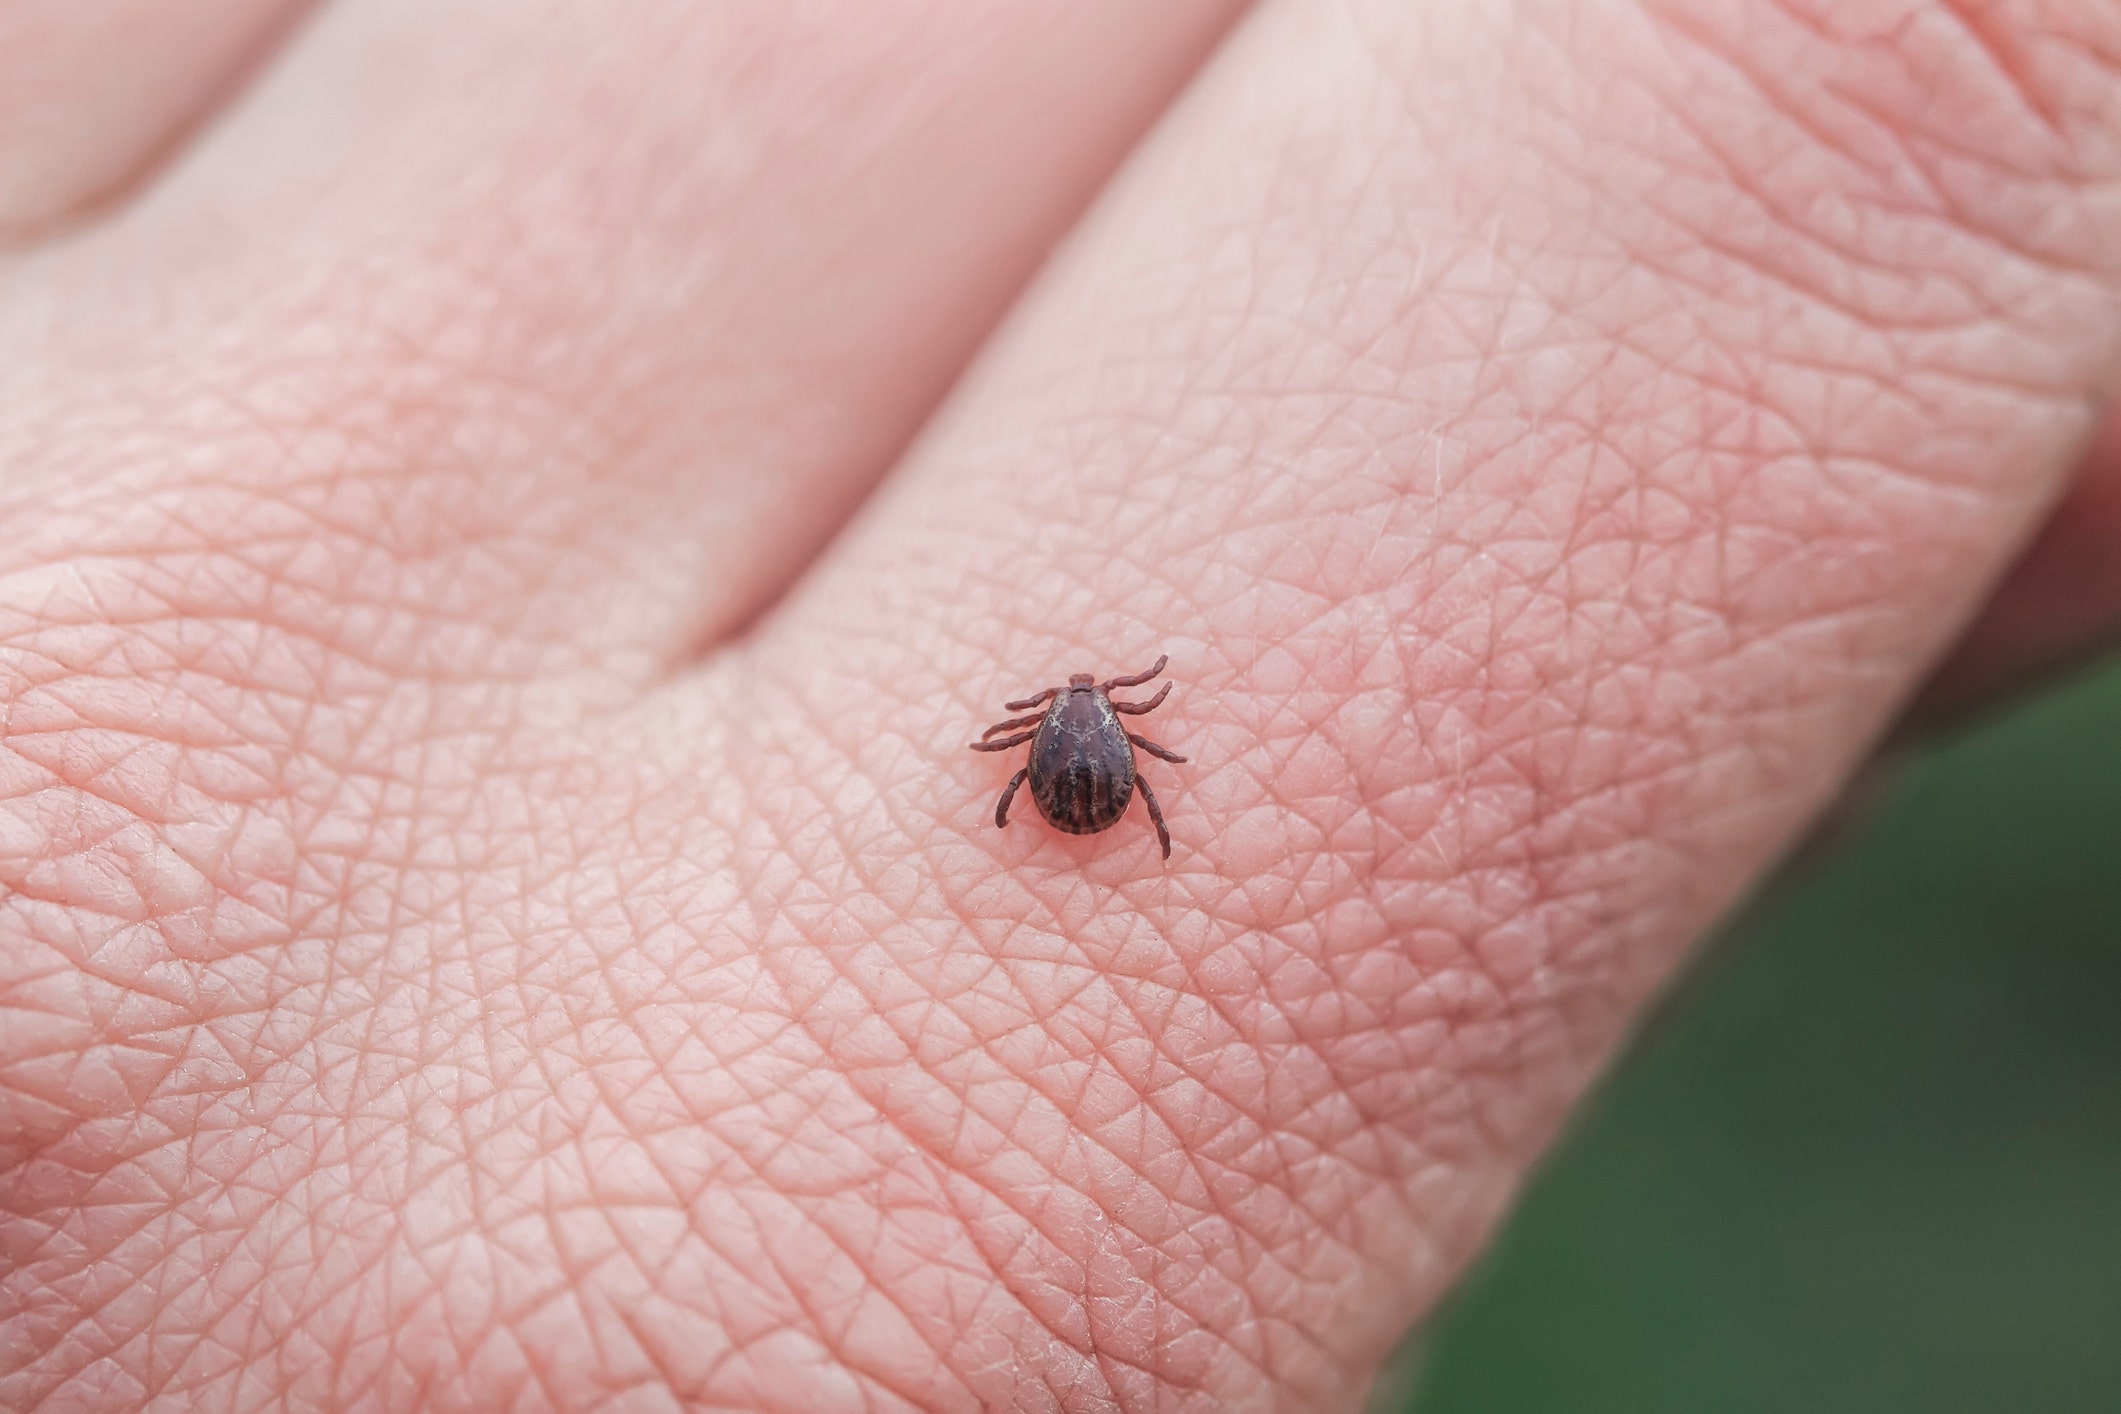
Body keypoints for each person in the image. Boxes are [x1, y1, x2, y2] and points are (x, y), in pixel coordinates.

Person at [3, 0, 2118, 1408]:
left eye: (1084, 732)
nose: (1088, 742)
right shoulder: (1102, 738)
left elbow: (1047, 768)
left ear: (1067, 729)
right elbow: (1106, 760)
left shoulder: (1050, 742)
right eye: (1082, 734)